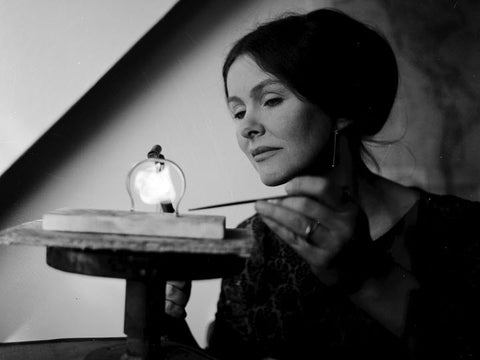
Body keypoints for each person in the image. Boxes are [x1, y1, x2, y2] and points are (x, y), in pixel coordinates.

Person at [164, 8, 480, 360]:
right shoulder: (254, 246)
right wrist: (170, 323)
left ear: (342, 108)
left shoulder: (459, 230)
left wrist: (368, 277)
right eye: (238, 112)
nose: (246, 127)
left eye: (270, 100)